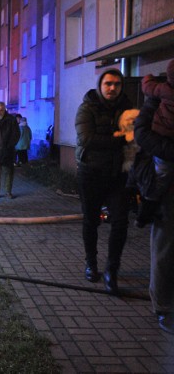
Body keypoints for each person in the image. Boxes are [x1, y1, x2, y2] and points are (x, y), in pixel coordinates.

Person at [74, 68, 133, 294]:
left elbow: (134, 138)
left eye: (117, 84)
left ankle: (112, 269)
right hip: (91, 173)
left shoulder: (127, 108)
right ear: (100, 85)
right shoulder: (87, 107)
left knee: (120, 222)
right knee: (91, 221)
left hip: (118, 175)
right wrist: (119, 139)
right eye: (108, 83)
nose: (112, 88)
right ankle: (91, 263)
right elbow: (87, 139)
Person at [134, 95, 174, 335]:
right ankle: (163, 307)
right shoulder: (157, 101)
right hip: (167, 194)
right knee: (164, 248)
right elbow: (143, 134)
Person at [132, 64, 174, 226]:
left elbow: (148, 87)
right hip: (163, 145)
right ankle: (147, 209)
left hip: (160, 138)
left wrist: (147, 78)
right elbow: (141, 133)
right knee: (160, 178)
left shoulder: (161, 90)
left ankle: (147, 207)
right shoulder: (160, 94)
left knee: (159, 177)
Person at [0, 102, 20, 198]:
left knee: (9, 172)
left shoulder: (11, 120)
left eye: (1, 110)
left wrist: (9, 146)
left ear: (5, 109)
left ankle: (8, 191)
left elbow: (16, 135)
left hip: (8, 151)